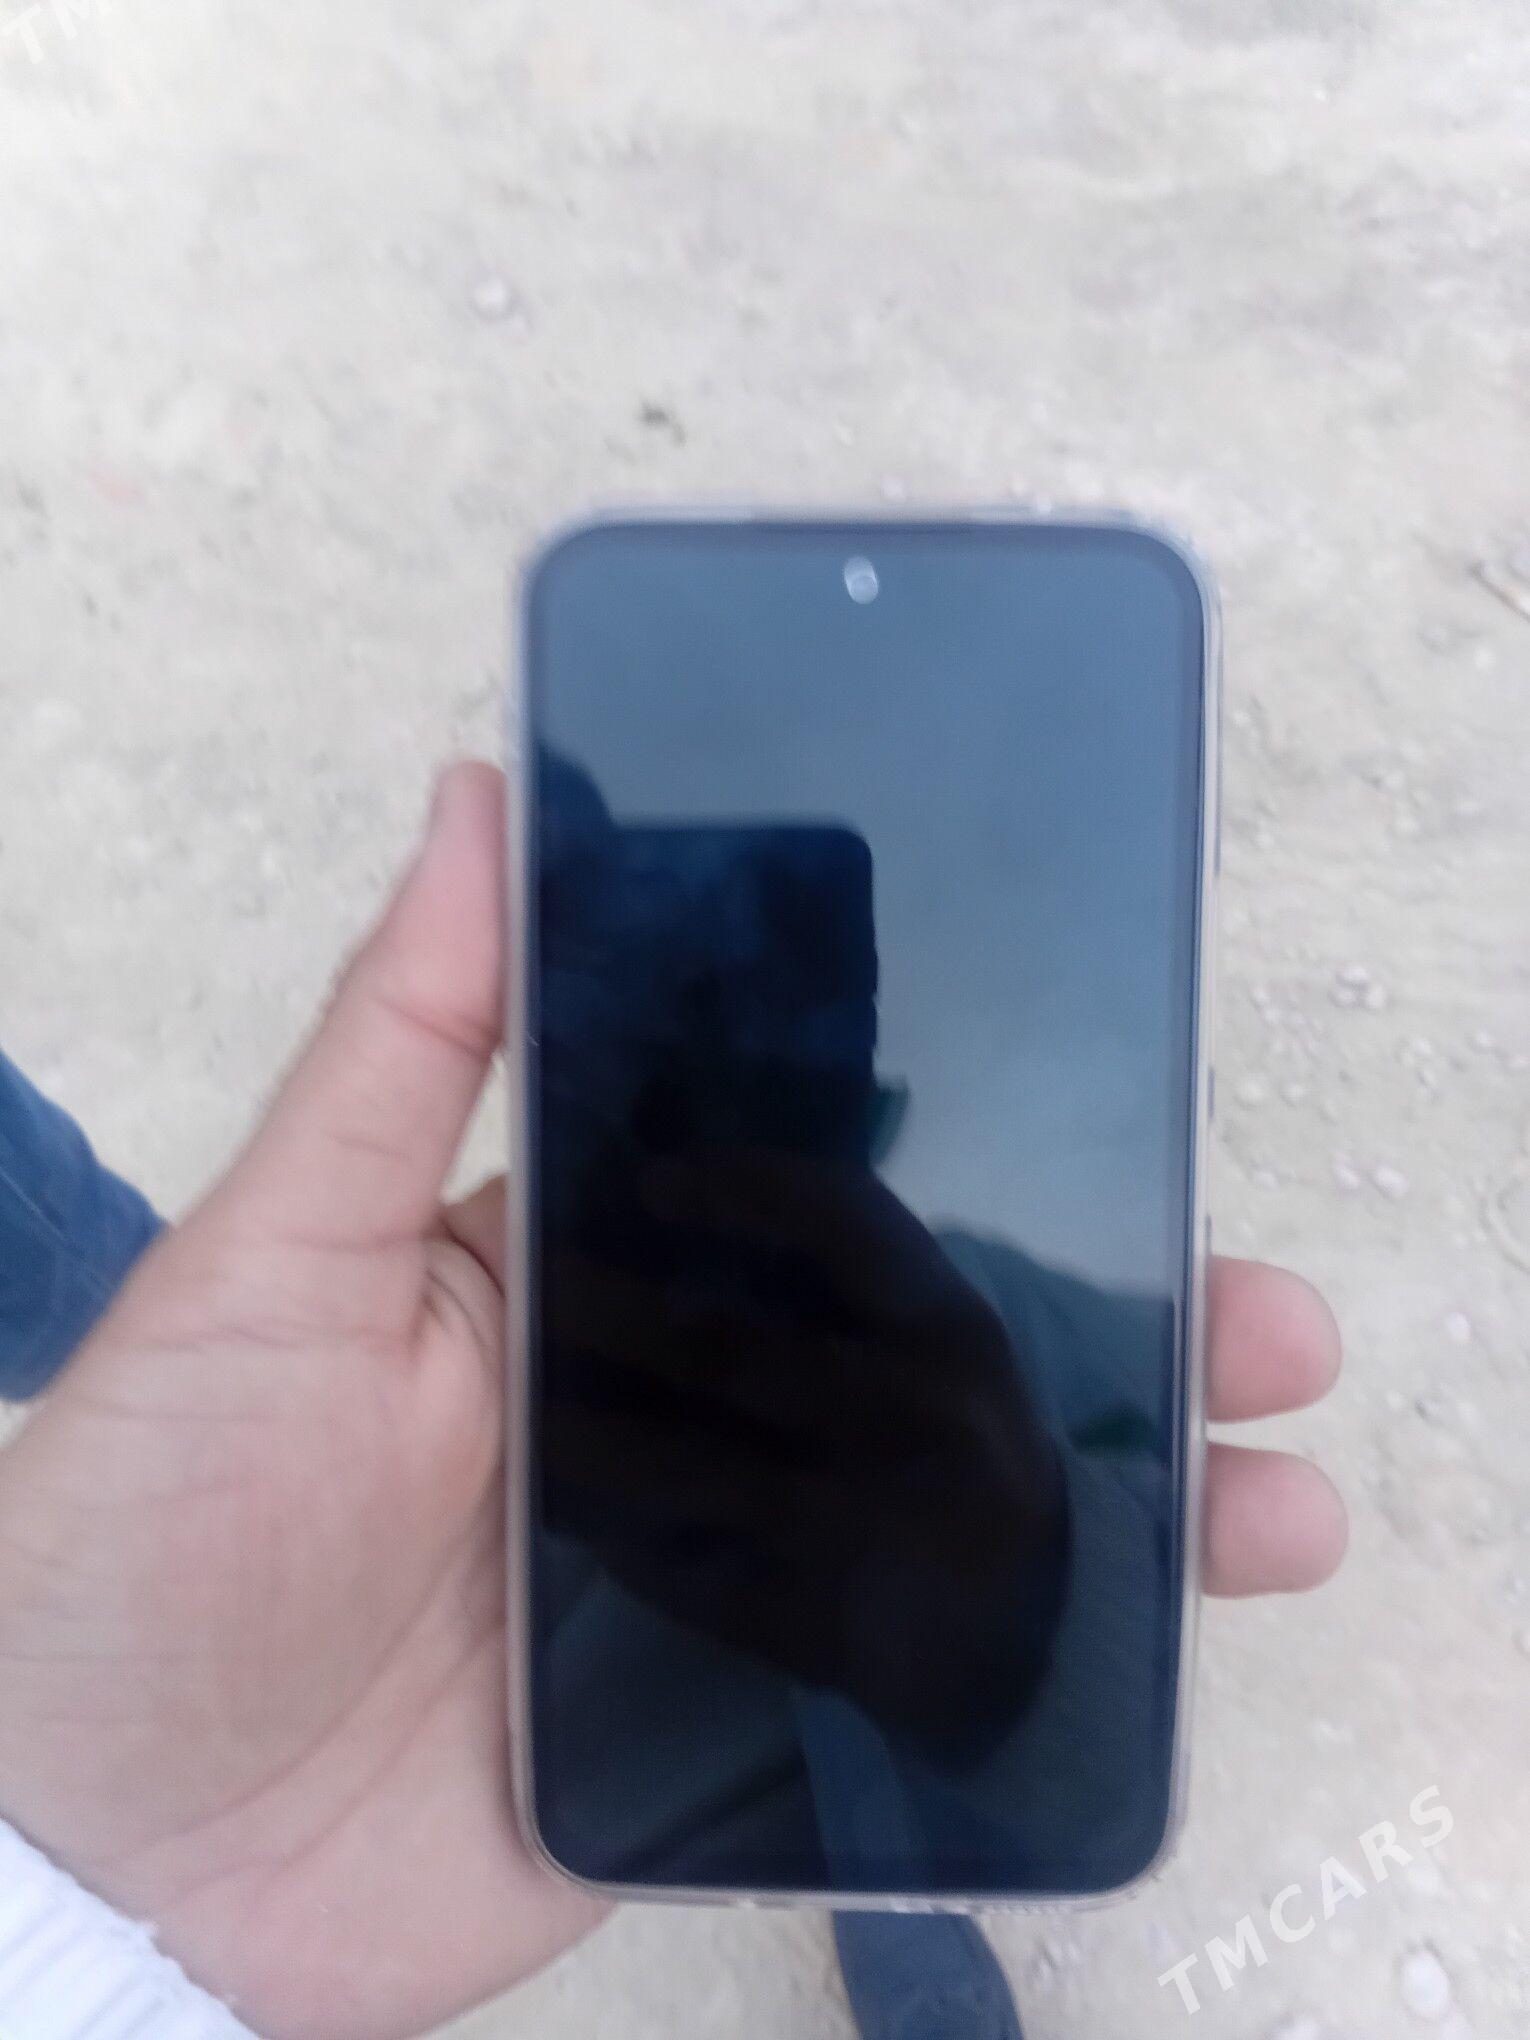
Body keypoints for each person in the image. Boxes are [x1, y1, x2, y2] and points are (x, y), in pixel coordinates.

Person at [0, 763, 1346, 2039]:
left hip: (168, 1826)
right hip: (311, 1707)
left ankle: (886, 1876)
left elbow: (1085, 1688)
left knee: (873, 1438)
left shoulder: (958, 1306)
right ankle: (889, 1879)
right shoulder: (966, 1294)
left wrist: (1029, 1603)